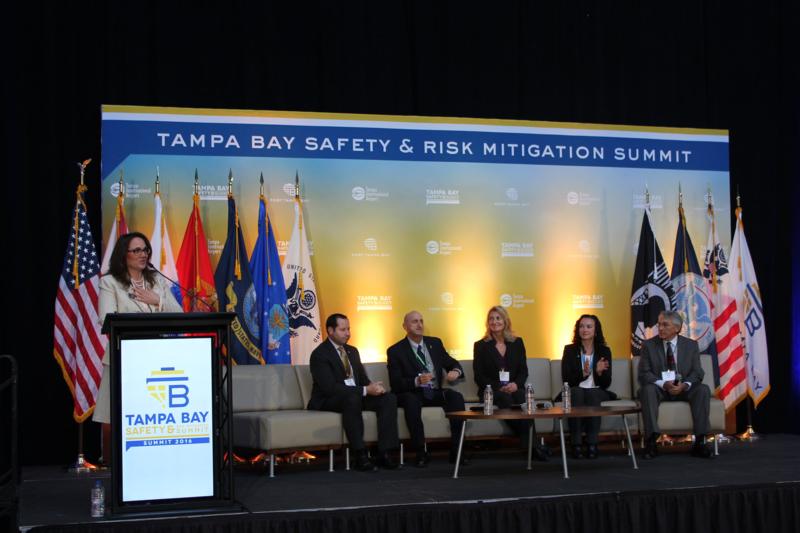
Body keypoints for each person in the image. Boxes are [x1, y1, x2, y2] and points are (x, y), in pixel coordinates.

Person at [92, 232, 183, 458]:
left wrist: (157, 300)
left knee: (151, 415)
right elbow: (106, 319)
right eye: (137, 250)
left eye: (145, 250)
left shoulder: (157, 281)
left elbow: (179, 312)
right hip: (123, 356)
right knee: (118, 413)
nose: (143, 254)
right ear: (124, 255)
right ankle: (116, 460)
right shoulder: (110, 282)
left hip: (157, 360)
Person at [308, 313, 400, 472]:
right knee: (352, 399)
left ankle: (384, 453)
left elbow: (362, 379)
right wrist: (364, 390)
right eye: (343, 330)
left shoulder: (352, 351)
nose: (348, 333)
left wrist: (373, 387)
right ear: (330, 331)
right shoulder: (320, 354)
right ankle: (360, 455)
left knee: (388, 399)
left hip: (355, 395)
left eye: (348, 329)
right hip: (329, 399)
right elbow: (330, 388)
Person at [386, 310, 467, 467]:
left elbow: (452, 363)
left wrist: (456, 371)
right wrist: (417, 381)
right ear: (404, 326)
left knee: (455, 397)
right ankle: (420, 452)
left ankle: (457, 452)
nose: (419, 324)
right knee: (411, 401)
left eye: (421, 321)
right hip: (413, 393)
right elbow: (395, 383)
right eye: (414, 321)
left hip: (434, 391)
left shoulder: (435, 343)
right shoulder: (395, 351)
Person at [473, 306, 547, 461]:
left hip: (514, 388)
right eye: (491, 319)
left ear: (505, 321)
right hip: (492, 391)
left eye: (498, 318)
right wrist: (499, 387)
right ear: (487, 323)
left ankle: (531, 446)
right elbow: (479, 376)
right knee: (504, 398)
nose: (495, 322)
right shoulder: (480, 345)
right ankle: (534, 446)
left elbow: (523, 371)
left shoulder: (517, 342)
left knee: (522, 396)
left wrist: (515, 384)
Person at [638, 310, 712, 459]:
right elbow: (644, 373)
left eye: (665, 325)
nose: (660, 328)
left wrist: (684, 385)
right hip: (660, 388)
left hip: (683, 388)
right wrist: (664, 384)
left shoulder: (691, 345)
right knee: (647, 390)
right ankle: (651, 442)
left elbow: (698, 372)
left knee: (703, 389)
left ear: (677, 328)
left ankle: (700, 442)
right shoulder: (648, 345)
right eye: (659, 324)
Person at [561, 314, 616, 459]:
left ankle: (592, 443)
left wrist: (598, 372)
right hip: (576, 390)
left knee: (592, 393)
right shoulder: (570, 350)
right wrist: (584, 373)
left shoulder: (604, 351)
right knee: (577, 392)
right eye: (581, 326)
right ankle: (576, 444)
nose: (584, 329)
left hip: (597, 391)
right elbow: (566, 380)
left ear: (595, 330)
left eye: (589, 326)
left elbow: (606, 383)